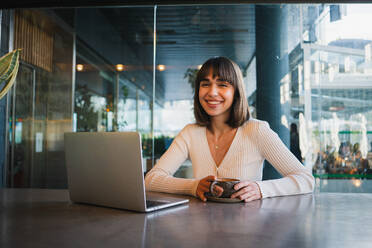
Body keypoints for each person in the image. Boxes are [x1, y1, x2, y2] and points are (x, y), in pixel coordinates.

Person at [145, 57, 314, 202]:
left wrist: (261, 189)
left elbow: (306, 179)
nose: (212, 92)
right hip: (201, 230)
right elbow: (151, 179)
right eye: (205, 84)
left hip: (247, 232)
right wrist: (193, 186)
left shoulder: (257, 130)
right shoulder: (190, 133)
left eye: (222, 84)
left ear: (236, 92)